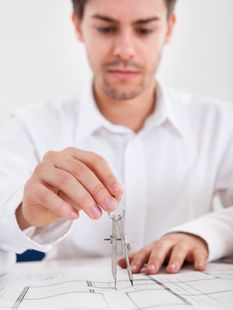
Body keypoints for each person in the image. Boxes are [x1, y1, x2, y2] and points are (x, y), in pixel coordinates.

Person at [0, 0, 233, 276]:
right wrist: (25, 213)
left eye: (144, 30)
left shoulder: (218, 122)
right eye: (106, 28)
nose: (124, 50)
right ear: (78, 25)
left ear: (169, 29)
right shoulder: (31, 126)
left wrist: (202, 235)